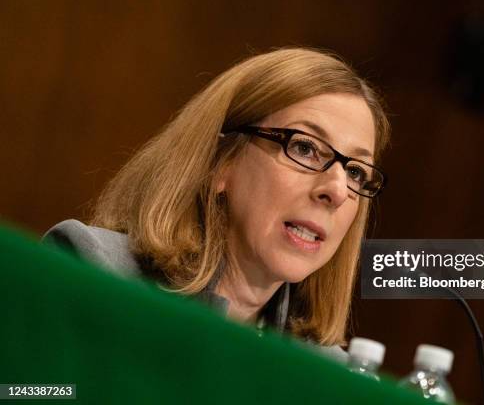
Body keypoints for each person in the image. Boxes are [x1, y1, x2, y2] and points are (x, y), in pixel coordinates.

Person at [43, 47, 390, 360]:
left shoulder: (329, 370)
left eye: (357, 173)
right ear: (220, 161)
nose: (338, 190)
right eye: (304, 148)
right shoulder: (95, 272)